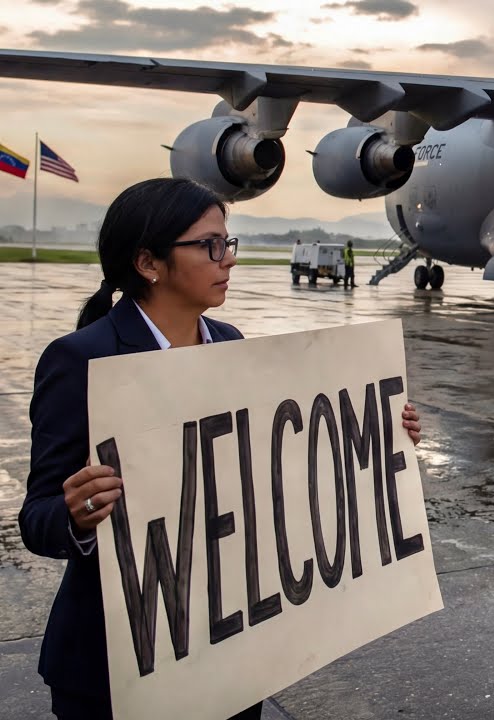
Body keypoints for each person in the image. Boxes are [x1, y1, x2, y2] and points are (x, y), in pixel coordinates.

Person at [18, 178, 424, 720]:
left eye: (227, 243)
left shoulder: (229, 343)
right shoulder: (80, 360)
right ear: (148, 262)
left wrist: (379, 434)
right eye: (210, 246)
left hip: (226, 649)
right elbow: (36, 519)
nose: (227, 259)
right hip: (115, 665)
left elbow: (269, 469)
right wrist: (78, 514)